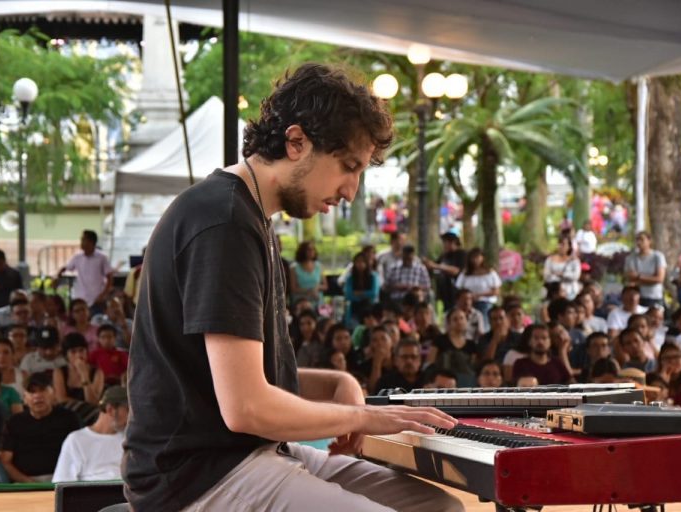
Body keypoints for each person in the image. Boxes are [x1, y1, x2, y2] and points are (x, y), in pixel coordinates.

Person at [123, 64, 462, 512]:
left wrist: (337, 382)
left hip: (249, 455)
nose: (351, 192)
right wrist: (360, 415)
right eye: (349, 167)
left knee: (440, 508)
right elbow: (246, 407)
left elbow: (242, 379)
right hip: (197, 477)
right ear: (296, 141)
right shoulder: (223, 222)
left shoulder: (248, 216)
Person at [0, 372, 80, 482]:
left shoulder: (69, 418)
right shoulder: (14, 423)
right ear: (24, 398)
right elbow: (5, 461)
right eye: (32, 392)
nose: (37, 396)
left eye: (43, 390)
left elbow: (80, 454)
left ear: (53, 393)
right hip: (25, 482)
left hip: (63, 479)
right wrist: (29, 482)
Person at [52, 386, 128, 483]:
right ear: (110, 410)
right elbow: (62, 482)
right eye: (128, 410)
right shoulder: (76, 440)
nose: (132, 417)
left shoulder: (130, 439)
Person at [57, 230, 114, 315]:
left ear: (91, 242)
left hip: (96, 300)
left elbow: (110, 278)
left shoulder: (102, 258)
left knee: (96, 320)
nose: (81, 242)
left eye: (83, 240)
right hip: (80, 299)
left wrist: (103, 295)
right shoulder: (77, 257)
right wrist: (57, 276)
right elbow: (66, 268)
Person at [455, 247, 502, 319]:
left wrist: (479, 295)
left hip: (485, 302)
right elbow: (459, 288)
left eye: (477, 257)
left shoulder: (490, 273)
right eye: (473, 257)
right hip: (468, 303)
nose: (475, 260)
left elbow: (496, 291)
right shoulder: (465, 273)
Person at [624, 231, 666, 308]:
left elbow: (659, 279)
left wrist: (638, 277)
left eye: (642, 239)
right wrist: (651, 279)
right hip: (637, 297)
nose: (639, 242)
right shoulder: (630, 258)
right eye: (637, 240)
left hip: (654, 296)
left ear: (649, 241)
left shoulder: (658, 256)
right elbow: (630, 277)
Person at [425, 232, 466, 312]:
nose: (444, 245)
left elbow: (457, 271)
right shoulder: (444, 256)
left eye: (445, 242)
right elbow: (434, 267)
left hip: (455, 291)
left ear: (453, 242)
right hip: (444, 292)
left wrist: (436, 266)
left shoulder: (461, 254)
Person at [342, 251, 380, 326]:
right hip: (354, 309)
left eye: (362, 262)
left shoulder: (373, 276)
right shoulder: (350, 278)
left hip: (370, 308)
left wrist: (358, 293)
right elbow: (348, 294)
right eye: (357, 262)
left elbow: (374, 293)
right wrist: (365, 295)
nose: (360, 264)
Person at [289, 240, 328, 309]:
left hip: (317, 299)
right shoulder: (294, 268)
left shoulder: (319, 266)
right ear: (303, 251)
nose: (311, 252)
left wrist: (317, 288)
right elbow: (293, 288)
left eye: (313, 249)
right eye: (309, 250)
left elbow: (325, 286)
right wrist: (309, 291)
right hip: (301, 301)